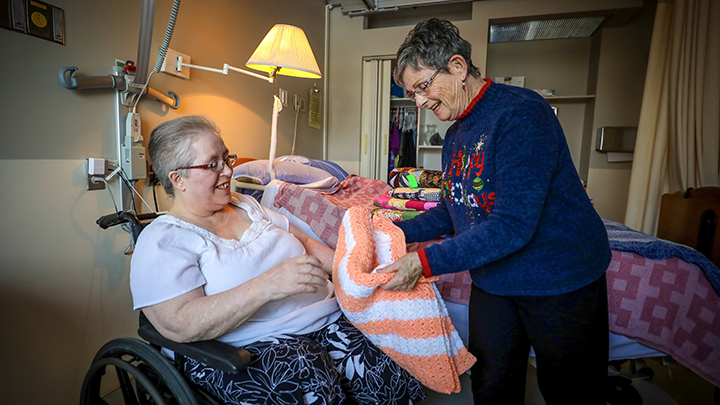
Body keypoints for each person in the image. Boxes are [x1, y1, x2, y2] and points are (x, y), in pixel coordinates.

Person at [378, 19, 611, 405]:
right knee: (492, 386)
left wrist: (421, 262)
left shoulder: (521, 114)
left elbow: (513, 224)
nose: (418, 102)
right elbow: (457, 209)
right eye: (412, 92)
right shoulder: (455, 135)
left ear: (457, 66)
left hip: (560, 276)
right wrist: (395, 230)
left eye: (422, 87)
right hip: (494, 279)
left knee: (571, 392)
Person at [131, 115, 426, 405]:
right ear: (177, 178)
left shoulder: (245, 204)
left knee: (388, 356)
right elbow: (179, 324)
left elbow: (306, 242)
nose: (228, 171)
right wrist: (268, 285)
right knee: (308, 374)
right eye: (212, 164)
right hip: (247, 347)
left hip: (324, 318)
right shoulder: (163, 240)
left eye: (226, 158)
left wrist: (355, 274)